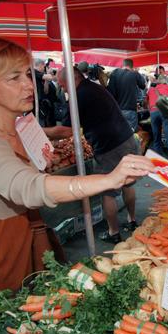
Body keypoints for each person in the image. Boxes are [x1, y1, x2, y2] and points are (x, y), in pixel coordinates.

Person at [0, 38, 153, 334]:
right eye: (13, 77)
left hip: (23, 253)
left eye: (27, 74)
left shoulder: (13, 126)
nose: (29, 84)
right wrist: (109, 179)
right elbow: (30, 187)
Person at [57, 67, 144, 243]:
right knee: (128, 183)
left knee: (108, 192)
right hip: (126, 137)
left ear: (74, 79)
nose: (64, 89)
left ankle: (114, 233)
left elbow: (66, 131)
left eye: (63, 85)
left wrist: (42, 131)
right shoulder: (93, 87)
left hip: (109, 146)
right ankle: (132, 220)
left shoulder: (79, 95)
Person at [146, 74, 168, 163]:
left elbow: (146, 102)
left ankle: (158, 161)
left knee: (156, 137)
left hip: (153, 112)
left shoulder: (151, 89)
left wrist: (150, 109)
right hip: (165, 112)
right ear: (166, 81)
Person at [33, 58, 58, 127]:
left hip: (41, 106)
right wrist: (49, 73)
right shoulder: (34, 72)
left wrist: (46, 81)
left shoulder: (41, 77)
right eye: (44, 67)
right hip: (35, 106)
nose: (44, 69)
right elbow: (51, 78)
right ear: (41, 65)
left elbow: (46, 91)